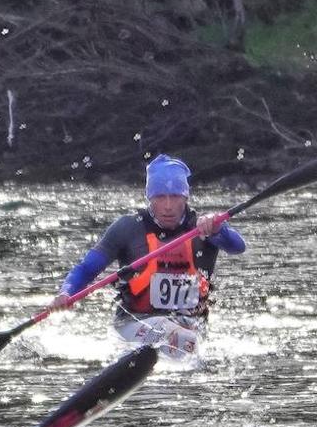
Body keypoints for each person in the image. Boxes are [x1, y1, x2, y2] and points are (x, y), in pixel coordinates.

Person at [49, 154, 246, 360]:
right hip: (132, 325)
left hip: (190, 329)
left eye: (175, 197)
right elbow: (87, 268)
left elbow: (237, 247)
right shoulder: (128, 227)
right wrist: (66, 292)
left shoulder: (204, 227)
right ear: (150, 198)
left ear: (185, 198)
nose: (168, 206)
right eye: (160, 197)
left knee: (181, 335)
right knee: (170, 332)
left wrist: (218, 230)